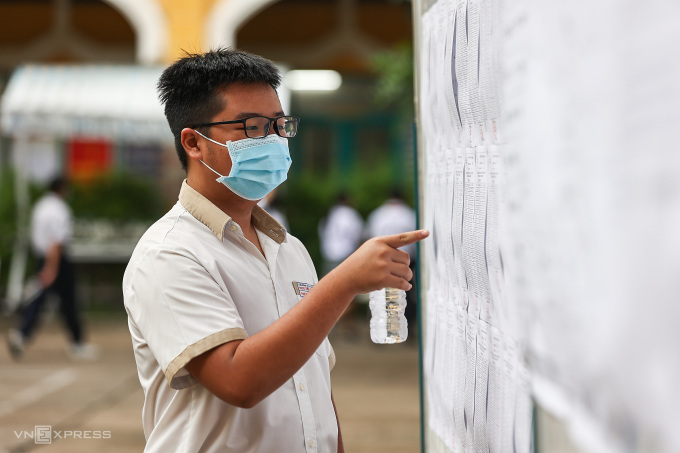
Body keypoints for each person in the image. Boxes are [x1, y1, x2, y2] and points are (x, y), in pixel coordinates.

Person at [122, 48, 428, 453]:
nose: (272, 140)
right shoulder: (169, 254)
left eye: (279, 125)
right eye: (250, 126)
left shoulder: (288, 248)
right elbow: (238, 381)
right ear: (194, 143)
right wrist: (343, 283)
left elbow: (313, 384)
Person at [7, 177, 98, 361]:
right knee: (68, 301)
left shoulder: (41, 206)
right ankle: (77, 343)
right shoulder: (59, 209)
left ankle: (21, 336)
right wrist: (52, 268)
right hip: (56, 261)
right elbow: (56, 242)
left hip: (44, 258)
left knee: (41, 299)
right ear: (62, 188)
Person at [366, 189, 419, 335]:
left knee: (380, 293)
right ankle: (407, 329)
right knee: (406, 292)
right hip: (405, 259)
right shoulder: (409, 214)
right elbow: (416, 241)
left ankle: (382, 329)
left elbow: (370, 238)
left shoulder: (378, 214)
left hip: (381, 259)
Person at [318, 192, 364, 275]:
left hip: (329, 253)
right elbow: (358, 235)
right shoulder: (350, 213)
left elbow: (322, 230)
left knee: (327, 282)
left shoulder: (330, 213)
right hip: (345, 254)